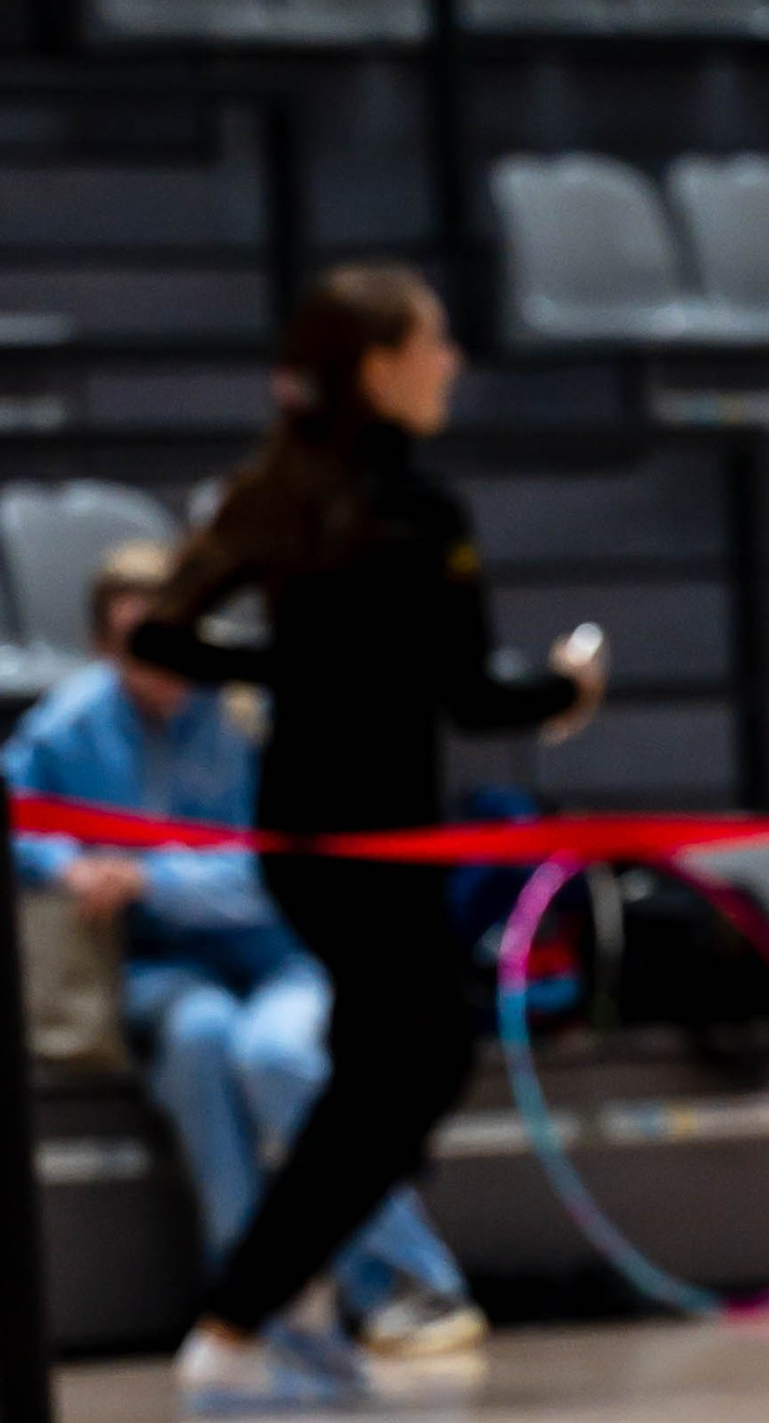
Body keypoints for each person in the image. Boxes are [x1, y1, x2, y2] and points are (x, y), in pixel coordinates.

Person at [134, 266, 609, 1410]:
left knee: (380, 1071)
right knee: (415, 1068)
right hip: (374, 849)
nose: (449, 362)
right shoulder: (415, 511)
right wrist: (564, 691)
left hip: (301, 843)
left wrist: (294, 671)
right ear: (379, 364)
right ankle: (239, 1319)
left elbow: (163, 634)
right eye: (432, 341)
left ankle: (289, 1306)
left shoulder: (278, 492)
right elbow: (469, 697)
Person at [5, 539, 487, 1363]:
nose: (160, 664)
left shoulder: (252, 717)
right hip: (160, 967)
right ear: (99, 648)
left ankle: (405, 1283)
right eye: (135, 644)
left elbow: (269, 873)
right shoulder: (64, 729)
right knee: (198, 1043)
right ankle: (255, 1297)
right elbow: (18, 817)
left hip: (280, 952)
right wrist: (67, 865)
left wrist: (146, 880)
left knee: (277, 1056)